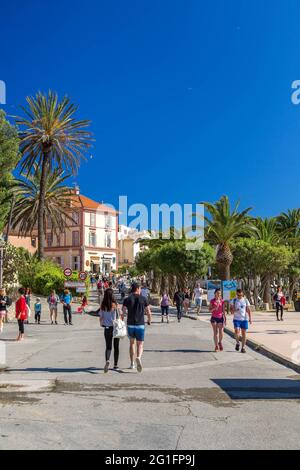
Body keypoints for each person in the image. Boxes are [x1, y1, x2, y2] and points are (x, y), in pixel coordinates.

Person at [122, 282, 151, 372]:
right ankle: (138, 357)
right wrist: (149, 320)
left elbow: (123, 312)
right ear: (138, 289)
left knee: (132, 344)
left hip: (130, 324)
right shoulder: (144, 299)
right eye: (140, 288)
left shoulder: (127, 299)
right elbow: (148, 312)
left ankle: (132, 364)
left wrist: (122, 320)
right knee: (140, 344)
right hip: (140, 325)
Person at [99, 288, 122, 373]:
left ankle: (107, 361)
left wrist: (101, 323)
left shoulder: (103, 305)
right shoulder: (115, 305)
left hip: (107, 328)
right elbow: (120, 316)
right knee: (116, 346)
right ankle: (115, 365)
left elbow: (101, 317)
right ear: (112, 295)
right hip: (115, 328)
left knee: (108, 346)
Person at [230, 288, 252, 353]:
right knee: (236, 331)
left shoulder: (245, 300)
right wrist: (234, 310)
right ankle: (237, 343)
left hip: (244, 319)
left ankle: (243, 348)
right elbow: (231, 311)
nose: (239, 296)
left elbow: (248, 309)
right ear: (236, 294)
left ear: (242, 294)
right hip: (236, 319)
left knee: (244, 333)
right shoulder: (234, 300)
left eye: (240, 295)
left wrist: (250, 318)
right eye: (238, 295)